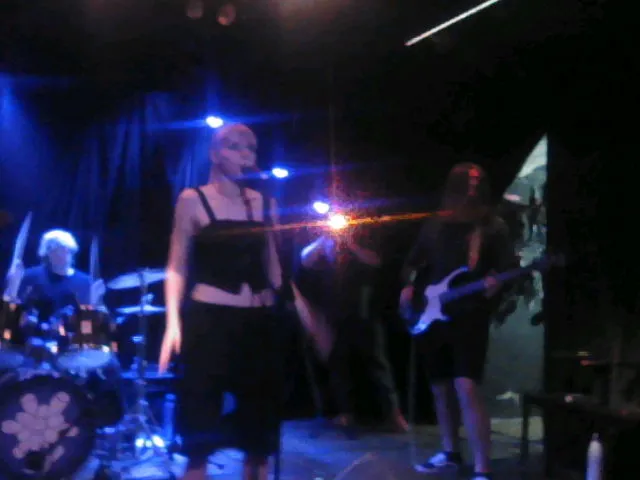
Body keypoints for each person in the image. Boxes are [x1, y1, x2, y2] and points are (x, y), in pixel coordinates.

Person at [159, 124, 285, 480]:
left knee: (259, 430)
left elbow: (274, 266)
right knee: (200, 420)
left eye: (251, 148)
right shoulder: (192, 199)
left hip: (258, 320)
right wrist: (172, 323)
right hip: (210, 318)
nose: (245, 154)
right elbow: (176, 265)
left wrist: (296, 307)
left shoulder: (265, 203)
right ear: (215, 154)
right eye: (234, 146)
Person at [400, 163, 515, 480]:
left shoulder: (492, 227)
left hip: (470, 315)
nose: (472, 190)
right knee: (440, 386)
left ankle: (482, 468)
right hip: (433, 314)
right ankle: (450, 452)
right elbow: (412, 263)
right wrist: (408, 286)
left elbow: (508, 268)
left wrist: (496, 283)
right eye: (467, 183)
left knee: (466, 386)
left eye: (478, 184)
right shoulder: (436, 225)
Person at [298, 206, 408, 434]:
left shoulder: (365, 237)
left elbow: (376, 261)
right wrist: (326, 238)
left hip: (363, 311)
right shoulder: (324, 243)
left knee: (377, 364)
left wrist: (349, 242)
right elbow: (305, 260)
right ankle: (346, 413)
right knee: (339, 364)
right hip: (334, 311)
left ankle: (393, 415)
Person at [5, 229, 103, 323]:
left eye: (67, 250)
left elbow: (88, 319)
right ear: (47, 253)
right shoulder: (30, 276)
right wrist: (12, 287)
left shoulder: (85, 282)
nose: (64, 254)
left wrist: (96, 302)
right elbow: (12, 309)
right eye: (59, 250)